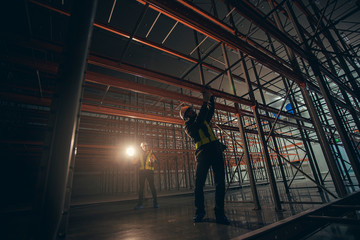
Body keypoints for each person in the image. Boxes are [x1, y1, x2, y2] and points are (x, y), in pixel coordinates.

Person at [179, 91, 230, 225]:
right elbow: (200, 119)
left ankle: (220, 214)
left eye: (191, 109)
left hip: (216, 150)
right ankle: (199, 212)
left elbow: (210, 111)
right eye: (189, 111)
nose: (192, 111)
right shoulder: (189, 127)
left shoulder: (202, 118)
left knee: (220, 183)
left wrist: (210, 99)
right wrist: (204, 101)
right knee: (199, 185)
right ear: (186, 117)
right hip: (203, 154)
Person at [134, 142, 159, 209]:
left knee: (152, 187)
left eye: (146, 146)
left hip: (149, 172)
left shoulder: (151, 153)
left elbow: (157, 162)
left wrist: (154, 160)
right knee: (141, 188)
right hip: (142, 172)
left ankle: (155, 203)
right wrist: (132, 158)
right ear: (141, 147)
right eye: (144, 146)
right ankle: (140, 204)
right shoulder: (138, 154)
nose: (145, 147)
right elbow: (134, 162)